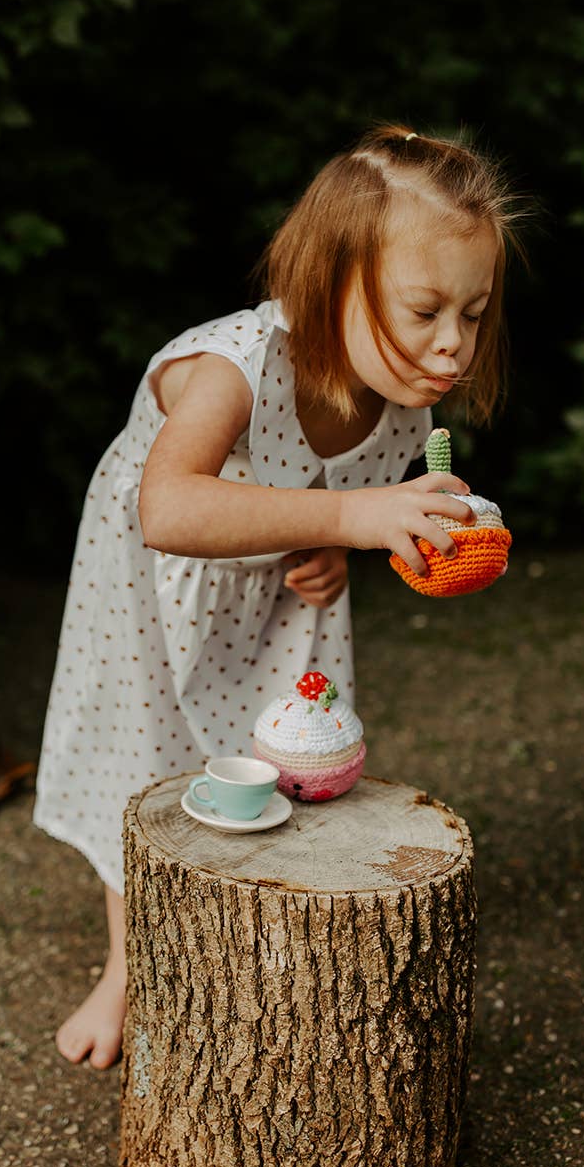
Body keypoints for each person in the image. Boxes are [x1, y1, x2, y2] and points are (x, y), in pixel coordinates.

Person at [34, 124, 522, 1065]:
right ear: (330, 285)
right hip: (151, 590)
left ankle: (256, 938)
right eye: (423, 310)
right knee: (147, 762)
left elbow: (331, 509)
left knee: (284, 757)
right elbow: (169, 508)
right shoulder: (233, 367)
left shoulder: (403, 397)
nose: (453, 345)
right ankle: (125, 968)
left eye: (475, 310)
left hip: (267, 592)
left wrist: (332, 546)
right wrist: (347, 520)